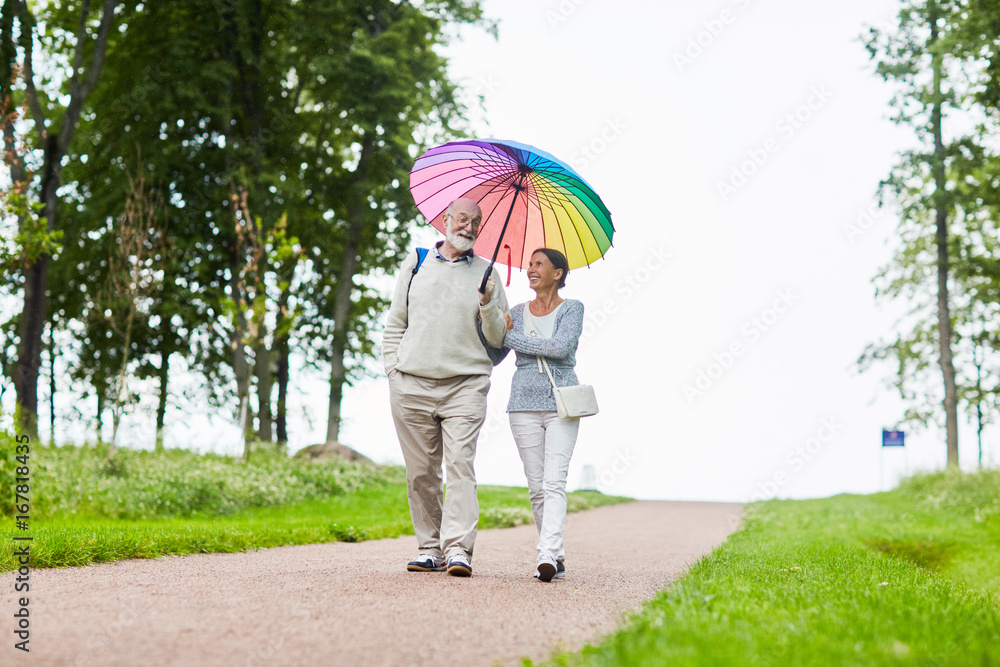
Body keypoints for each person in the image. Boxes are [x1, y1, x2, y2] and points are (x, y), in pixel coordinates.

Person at [382, 197, 510, 577]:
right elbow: (396, 322)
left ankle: (458, 550)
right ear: (445, 220)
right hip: (411, 383)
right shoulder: (417, 261)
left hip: (466, 385)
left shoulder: (488, 274)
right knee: (421, 472)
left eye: (476, 222)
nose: (469, 227)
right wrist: (394, 370)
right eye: (463, 219)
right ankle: (429, 548)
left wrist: (487, 304)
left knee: (459, 466)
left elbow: (499, 339)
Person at [501, 248, 584, 582]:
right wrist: (489, 319)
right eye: (530, 265)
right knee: (537, 487)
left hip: (561, 404)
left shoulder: (572, 309)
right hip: (522, 404)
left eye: (539, 264)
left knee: (554, 482)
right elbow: (495, 352)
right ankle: (555, 552)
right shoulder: (517, 312)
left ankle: (546, 552)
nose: (530, 269)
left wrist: (511, 337)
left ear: (558, 273)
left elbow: (560, 348)